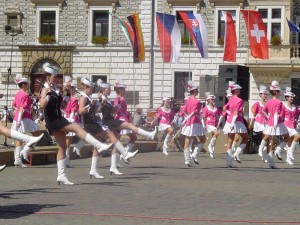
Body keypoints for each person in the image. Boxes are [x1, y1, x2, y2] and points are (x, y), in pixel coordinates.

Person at [38, 63, 113, 185]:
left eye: (56, 76)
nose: (56, 78)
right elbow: (42, 105)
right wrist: (48, 94)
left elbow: (62, 106)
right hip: (53, 119)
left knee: (62, 146)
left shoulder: (55, 89)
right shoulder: (45, 89)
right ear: (47, 76)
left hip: (58, 117)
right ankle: (98, 145)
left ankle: (61, 175)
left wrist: (65, 96)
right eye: (54, 76)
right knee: (77, 128)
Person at [79, 78, 138, 177]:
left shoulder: (88, 97)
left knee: (98, 146)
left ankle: (93, 170)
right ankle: (124, 154)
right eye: (91, 88)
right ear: (86, 87)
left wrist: (98, 105)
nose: (92, 90)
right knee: (112, 136)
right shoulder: (83, 98)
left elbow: (95, 111)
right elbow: (80, 111)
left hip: (94, 122)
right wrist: (89, 105)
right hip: (90, 124)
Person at [98, 80, 157, 165]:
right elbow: (102, 106)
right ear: (120, 89)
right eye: (123, 89)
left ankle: (116, 163)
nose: (125, 91)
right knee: (124, 138)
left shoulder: (110, 99)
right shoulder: (115, 98)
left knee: (117, 142)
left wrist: (116, 109)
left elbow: (113, 111)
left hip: (115, 119)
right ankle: (148, 135)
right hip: (115, 120)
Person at [11, 74, 42, 167]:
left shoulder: (17, 94)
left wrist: (16, 116)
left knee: (19, 138)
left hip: (17, 118)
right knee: (38, 135)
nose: (29, 85)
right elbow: (22, 108)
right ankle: (26, 149)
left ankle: (17, 159)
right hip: (24, 118)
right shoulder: (25, 95)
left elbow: (14, 105)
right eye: (27, 83)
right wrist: (20, 119)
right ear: (24, 85)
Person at [257, 80, 289, 169]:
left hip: (269, 123)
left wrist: (268, 117)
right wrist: (275, 124)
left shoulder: (268, 101)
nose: (280, 93)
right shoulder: (279, 102)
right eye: (279, 91)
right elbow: (277, 114)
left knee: (271, 141)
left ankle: (271, 162)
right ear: (276, 92)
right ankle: (278, 150)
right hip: (277, 123)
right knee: (287, 137)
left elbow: (264, 111)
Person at [223, 81, 248, 167]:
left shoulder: (231, 99)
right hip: (236, 121)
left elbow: (224, 108)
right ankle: (237, 153)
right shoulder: (240, 100)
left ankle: (228, 161)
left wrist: (229, 114)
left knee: (230, 140)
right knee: (245, 138)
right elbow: (236, 113)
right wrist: (233, 121)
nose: (240, 91)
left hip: (230, 121)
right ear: (236, 91)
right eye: (238, 89)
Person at [181, 81, 206, 167]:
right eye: (197, 90)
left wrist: (185, 121)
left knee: (187, 142)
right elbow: (195, 113)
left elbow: (185, 111)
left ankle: (187, 160)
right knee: (203, 139)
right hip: (195, 122)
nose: (198, 91)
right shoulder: (197, 102)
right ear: (195, 91)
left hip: (188, 122)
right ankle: (194, 154)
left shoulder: (187, 100)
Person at [63, 79, 81, 167]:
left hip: (68, 118)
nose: (74, 90)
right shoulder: (72, 98)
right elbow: (73, 110)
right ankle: (66, 158)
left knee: (68, 140)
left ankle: (66, 158)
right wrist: (70, 117)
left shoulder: (68, 98)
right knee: (68, 139)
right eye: (73, 88)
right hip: (72, 119)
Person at [249, 85, 268, 162]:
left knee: (266, 138)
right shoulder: (257, 103)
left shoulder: (267, 103)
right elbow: (254, 114)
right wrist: (251, 124)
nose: (265, 96)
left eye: (266, 94)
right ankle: (261, 149)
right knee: (265, 136)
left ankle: (263, 155)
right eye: (264, 94)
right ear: (260, 95)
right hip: (259, 121)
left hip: (266, 121)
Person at [281, 87, 300, 165]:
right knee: (298, 136)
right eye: (290, 97)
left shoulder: (294, 107)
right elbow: (281, 117)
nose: (292, 98)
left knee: (290, 142)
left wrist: (297, 121)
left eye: (292, 97)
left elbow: (298, 114)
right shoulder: (283, 106)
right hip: (286, 126)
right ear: (286, 98)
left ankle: (288, 159)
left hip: (293, 125)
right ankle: (291, 153)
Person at [202, 92, 222, 159]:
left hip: (215, 124)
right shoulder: (206, 108)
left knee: (214, 137)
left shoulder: (216, 108)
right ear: (208, 100)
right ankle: (210, 146)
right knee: (217, 133)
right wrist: (204, 125)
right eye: (211, 99)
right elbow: (204, 117)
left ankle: (212, 150)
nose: (213, 100)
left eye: (213, 99)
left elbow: (221, 114)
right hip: (208, 123)